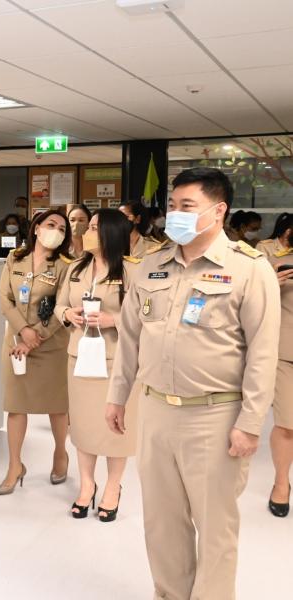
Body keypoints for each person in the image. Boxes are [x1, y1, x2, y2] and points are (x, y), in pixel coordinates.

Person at [106, 167, 280, 600]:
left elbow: (263, 352)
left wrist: (251, 422)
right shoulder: (150, 265)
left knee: (215, 526)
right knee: (161, 522)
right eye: (172, 205)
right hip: (156, 412)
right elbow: (130, 338)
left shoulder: (248, 268)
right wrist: (117, 396)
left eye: (188, 206)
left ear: (218, 211)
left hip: (215, 416)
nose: (176, 214)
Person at [55, 209, 139, 521]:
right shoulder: (76, 268)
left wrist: (112, 320)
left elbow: (145, 316)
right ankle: (87, 485)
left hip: (117, 360)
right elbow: (60, 305)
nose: (85, 232)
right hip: (80, 358)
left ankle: (113, 487)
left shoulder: (131, 271)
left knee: (115, 427)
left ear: (110, 233)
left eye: (92, 227)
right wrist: (68, 314)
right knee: (83, 425)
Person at [0, 209, 73, 495]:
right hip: (16, 342)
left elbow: (63, 307)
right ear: (37, 228)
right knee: (16, 405)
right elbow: (4, 299)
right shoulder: (15, 258)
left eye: (62, 229)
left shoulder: (66, 265)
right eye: (51, 225)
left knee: (57, 406)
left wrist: (34, 336)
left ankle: (61, 453)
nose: (56, 231)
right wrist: (23, 331)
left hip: (50, 345)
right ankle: (15, 465)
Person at [257, 213, 293, 517]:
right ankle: (281, 482)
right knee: (286, 422)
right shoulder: (269, 255)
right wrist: (270, 280)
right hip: (285, 350)